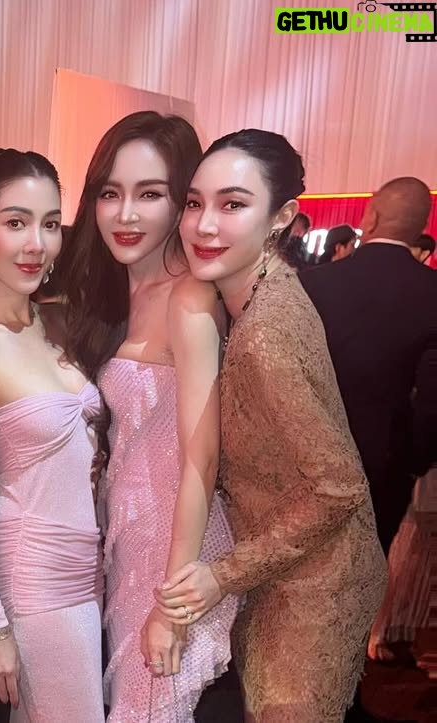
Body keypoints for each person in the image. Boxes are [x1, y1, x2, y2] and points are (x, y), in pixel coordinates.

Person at [163, 128, 386, 722]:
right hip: (291, 568)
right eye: (194, 203)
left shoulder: (264, 332)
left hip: (316, 586)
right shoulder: (265, 292)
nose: (204, 225)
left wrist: (221, 576)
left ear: (281, 217)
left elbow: (340, 487)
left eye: (233, 205)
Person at [61, 111, 238, 722]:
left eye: (150, 194)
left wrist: (172, 604)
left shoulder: (191, 297)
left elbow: (202, 458)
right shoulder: (119, 295)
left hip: (173, 549)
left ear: (182, 201)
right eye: (111, 193)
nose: (126, 214)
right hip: (128, 540)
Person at [0, 148, 106, 722]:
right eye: (16, 223)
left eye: (50, 224)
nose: (37, 243)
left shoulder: (52, 323)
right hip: (32, 582)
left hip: (86, 572)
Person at [301, 177, 437, 553]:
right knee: (367, 562)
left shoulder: (313, 283)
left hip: (306, 456)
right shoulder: (432, 293)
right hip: (385, 463)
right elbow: (432, 400)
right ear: (421, 227)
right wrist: (415, 460)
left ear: (371, 216)